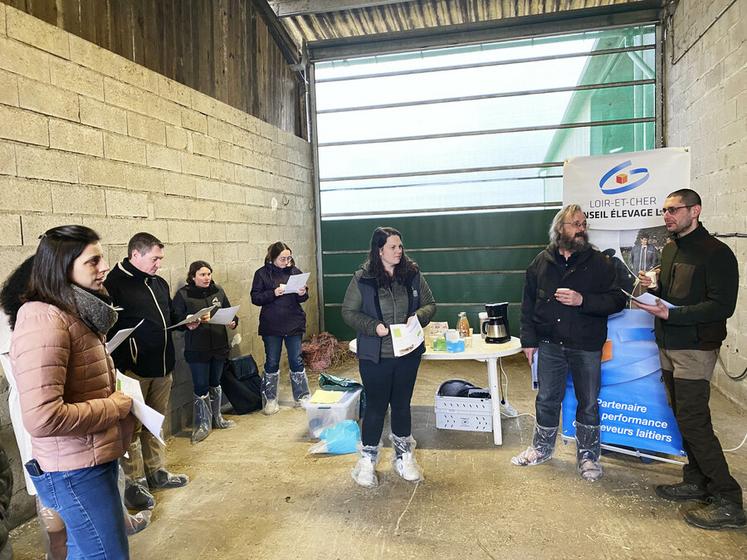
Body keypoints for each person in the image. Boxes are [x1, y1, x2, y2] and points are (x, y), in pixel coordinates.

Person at [9, 225, 134, 559]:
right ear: (62, 267)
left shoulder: (72, 313)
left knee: (87, 550)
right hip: (74, 469)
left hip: (88, 457)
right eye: (92, 261)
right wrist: (115, 407)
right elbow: (42, 417)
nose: (104, 266)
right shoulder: (43, 318)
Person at [635, 188, 744, 530]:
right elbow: (668, 296)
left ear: (694, 211)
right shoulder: (670, 250)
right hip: (667, 345)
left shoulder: (717, 254)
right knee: (683, 417)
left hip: (695, 348)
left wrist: (673, 316)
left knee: (695, 420)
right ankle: (696, 480)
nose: (666, 216)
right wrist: (651, 289)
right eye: (664, 210)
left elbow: (721, 307)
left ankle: (729, 499)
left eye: (673, 210)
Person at [513, 205, 626, 481]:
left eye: (583, 224)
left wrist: (582, 300)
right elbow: (528, 305)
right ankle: (541, 449)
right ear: (559, 228)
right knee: (547, 399)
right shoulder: (540, 262)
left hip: (586, 345)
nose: (581, 229)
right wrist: (528, 340)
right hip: (550, 344)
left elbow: (617, 300)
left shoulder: (600, 263)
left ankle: (588, 456)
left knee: (588, 402)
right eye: (575, 224)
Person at [341, 227, 436, 487]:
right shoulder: (363, 278)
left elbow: (430, 303)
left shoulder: (412, 274)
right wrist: (375, 327)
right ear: (379, 250)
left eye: (400, 247)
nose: (399, 251)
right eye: (393, 247)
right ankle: (367, 461)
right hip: (376, 355)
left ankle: (404, 456)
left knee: (402, 404)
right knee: (375, 407)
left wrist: (418, 317)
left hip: (407, 353)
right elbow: (348, 312)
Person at [104, 232, 189, 511]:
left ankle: (156, 471)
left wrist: (187, 322)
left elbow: (170, 317)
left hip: (163, 367)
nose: (159, 264)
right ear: (136, 255)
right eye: (155, 259)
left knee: (156, 423)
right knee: (132, 428)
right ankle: (134, 482)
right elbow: (106, 329)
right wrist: (124, 365)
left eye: (160, 259)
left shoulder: (158, 283)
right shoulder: (113, 285)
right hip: (133, 371)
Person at [173, 261, 238, 443]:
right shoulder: (184, 294)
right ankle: (202, 424)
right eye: (202, 274)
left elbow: (229, 311)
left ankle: (216, 418)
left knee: (215, 382)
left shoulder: (217, 291)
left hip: (218, 346)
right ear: (193, 276)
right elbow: (176, 317)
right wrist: (188, 320)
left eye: (208, 274)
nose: (206, 278)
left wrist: (233, 321)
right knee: (201, 385)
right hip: (197, 348)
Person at [250, 241, 310, 414]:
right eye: (282, 258)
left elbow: (303, 298)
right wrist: (273, 293)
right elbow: (255, 298)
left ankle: (302, 396)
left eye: (289, 258)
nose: (286, 261)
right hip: (272, 325)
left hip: (294, 323)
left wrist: (302, 293)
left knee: (296, 359)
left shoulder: (295, 271)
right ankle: (270, 399)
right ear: (273, 258)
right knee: (272, 361)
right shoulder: (261, 274)